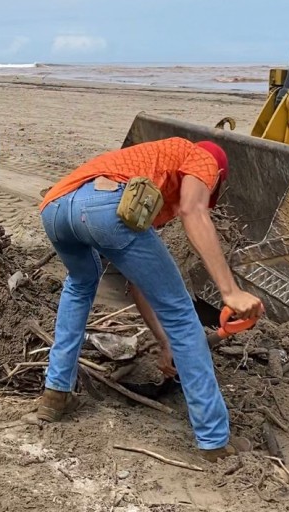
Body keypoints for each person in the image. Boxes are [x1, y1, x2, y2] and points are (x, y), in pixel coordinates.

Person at [35, 136, 265, 462]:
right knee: (183, 314)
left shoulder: (146, 183)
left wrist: (164, 341)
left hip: (56, 208)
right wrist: (230, 291)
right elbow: (193, 210)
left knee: (80, 284)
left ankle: (55, 395)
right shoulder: (203, 156)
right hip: (102, 205)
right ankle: (215, 442)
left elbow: (139, 282)